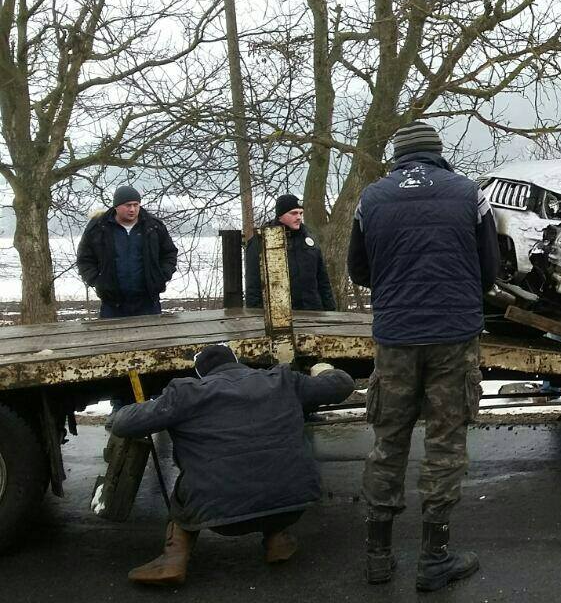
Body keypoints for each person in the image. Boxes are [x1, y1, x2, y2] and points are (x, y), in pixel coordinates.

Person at [348, 120, 500, 591]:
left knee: (387, 440)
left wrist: (397, 289)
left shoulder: (371, 198)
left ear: (398, 155)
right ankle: (434, 557)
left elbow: (358, 268)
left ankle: (377, 556)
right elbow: (489, 266)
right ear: (438, 152)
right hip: (453, 336)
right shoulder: (468, 193)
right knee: (445, 443)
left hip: (395, 336)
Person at [109, 344, 355, 586]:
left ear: (201, 373)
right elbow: (343, 384)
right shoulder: (283, 380)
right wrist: (322, 370)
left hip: (218, 513)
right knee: (273, 470)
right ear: (237, 362)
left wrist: (145, 408)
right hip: (295, 502)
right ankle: (276, 540)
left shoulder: (186, 393)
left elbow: (122, 424)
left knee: (189, 488)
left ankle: (173, 559)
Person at [75, 185, 178, 318]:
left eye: (136, 205)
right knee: (113, 339)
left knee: (151, 339)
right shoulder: (99, 228)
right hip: (112, 304)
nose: (132, 209)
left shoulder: (153, 227)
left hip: (148, 302)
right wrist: (98, 281)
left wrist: (161, 276)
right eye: (128, 205)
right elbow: (85, 259)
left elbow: (169, 253)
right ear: (116, 206)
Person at [245, 194, 337, 311]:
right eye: (293, 213)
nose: (298, 217)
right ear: (280, 216)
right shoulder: (262, 242)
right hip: (280, 315)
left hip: (314, 312)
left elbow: (323, 281)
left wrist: (330, 311)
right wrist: (255, 317)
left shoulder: (309, 239)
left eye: (300, 213)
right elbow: (253, 285)